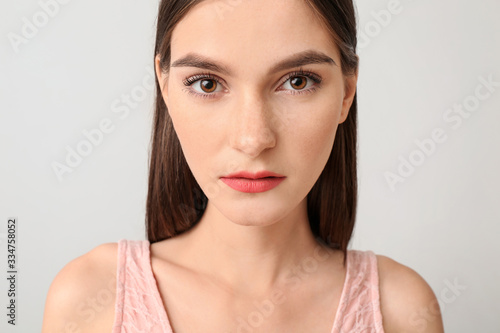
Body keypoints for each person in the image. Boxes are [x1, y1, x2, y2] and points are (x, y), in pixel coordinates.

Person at [42, 0, 445, 332]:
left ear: (346, 93)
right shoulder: (90, 298)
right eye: (207, 83)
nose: (253, 139)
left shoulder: (400, 312)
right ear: (164, 87)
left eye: (298, 81)